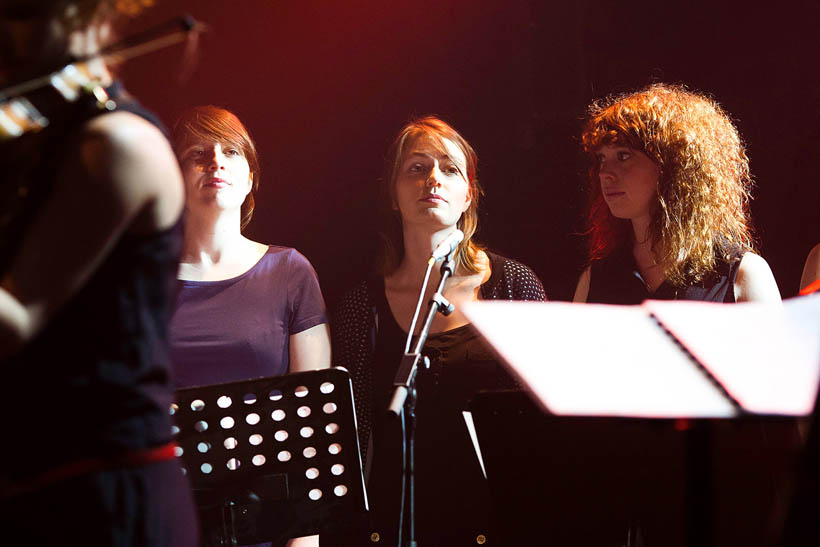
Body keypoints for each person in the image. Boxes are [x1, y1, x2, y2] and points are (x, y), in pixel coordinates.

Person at [0, 0, 197, 545]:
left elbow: (15, 318)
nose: (5, 35)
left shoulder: (118, 144)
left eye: (22, 13)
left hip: (102, 495)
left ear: (93, 16)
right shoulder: (36, 143)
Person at [331, 116, 546, 545]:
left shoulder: (511, 285)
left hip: (496, 520)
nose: (433, 178)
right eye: (416, 168)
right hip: (395, 524)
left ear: (468, 195)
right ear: (393, 194)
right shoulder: (361, 305)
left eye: (449, 169)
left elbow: (545, 420)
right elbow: (352, 436)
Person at [169, 105, 330, 547]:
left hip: (262, 523)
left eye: (231, 152)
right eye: (197, 154)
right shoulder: (141, 281)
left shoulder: (290, 272)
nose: (216, 161)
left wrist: (304, 540)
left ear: (251, 175)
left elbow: (310, 427)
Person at [573, 83, 781, 305]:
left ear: (674, 167)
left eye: (623, 156)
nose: (604, 173)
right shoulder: (595, 278)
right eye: (602, 158)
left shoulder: (741, 274)